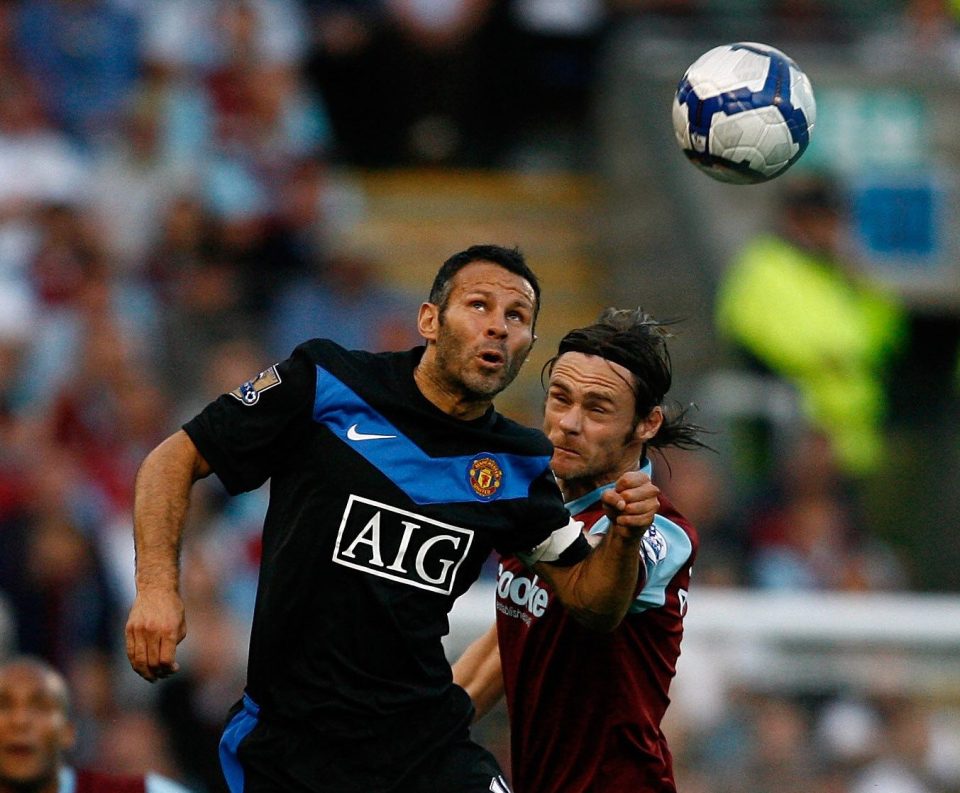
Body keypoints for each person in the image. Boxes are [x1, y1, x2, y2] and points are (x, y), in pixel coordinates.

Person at [124, 245, 662, 793]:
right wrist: (156, 590)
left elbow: (592, 605)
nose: (498, 327)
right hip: (291, 745)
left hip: (425, 750)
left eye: (516, 317)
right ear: (429, 319)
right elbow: (174, 458)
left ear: (528, 347)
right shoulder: (326, 382)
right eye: (479, 306)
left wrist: (625, 537)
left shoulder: (519, 464)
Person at [454, 307, 708, 793]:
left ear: (646, 424)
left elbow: (600, 604)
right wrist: (418, 729)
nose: (568, 423)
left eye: (596, 409)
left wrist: (627, 534)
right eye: (560, 399)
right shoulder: (542, 505)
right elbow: (509, 638)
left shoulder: (660, 530)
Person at [0, 655, 193, 793]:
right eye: (3, 706)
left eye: (40, 706)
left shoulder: (146, 790)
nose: (20, 721)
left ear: (69, 732)